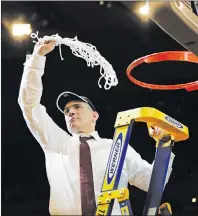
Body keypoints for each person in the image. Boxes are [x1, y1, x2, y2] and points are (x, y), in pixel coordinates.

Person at [18, 40, 175, 215]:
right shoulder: (56, 143)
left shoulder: (117, 148)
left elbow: (152, 183)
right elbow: (29, 105)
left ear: (95, 115)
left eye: (77, 107)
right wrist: (37, 58)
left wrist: (164, 145)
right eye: (66, 110)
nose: (70, 112)